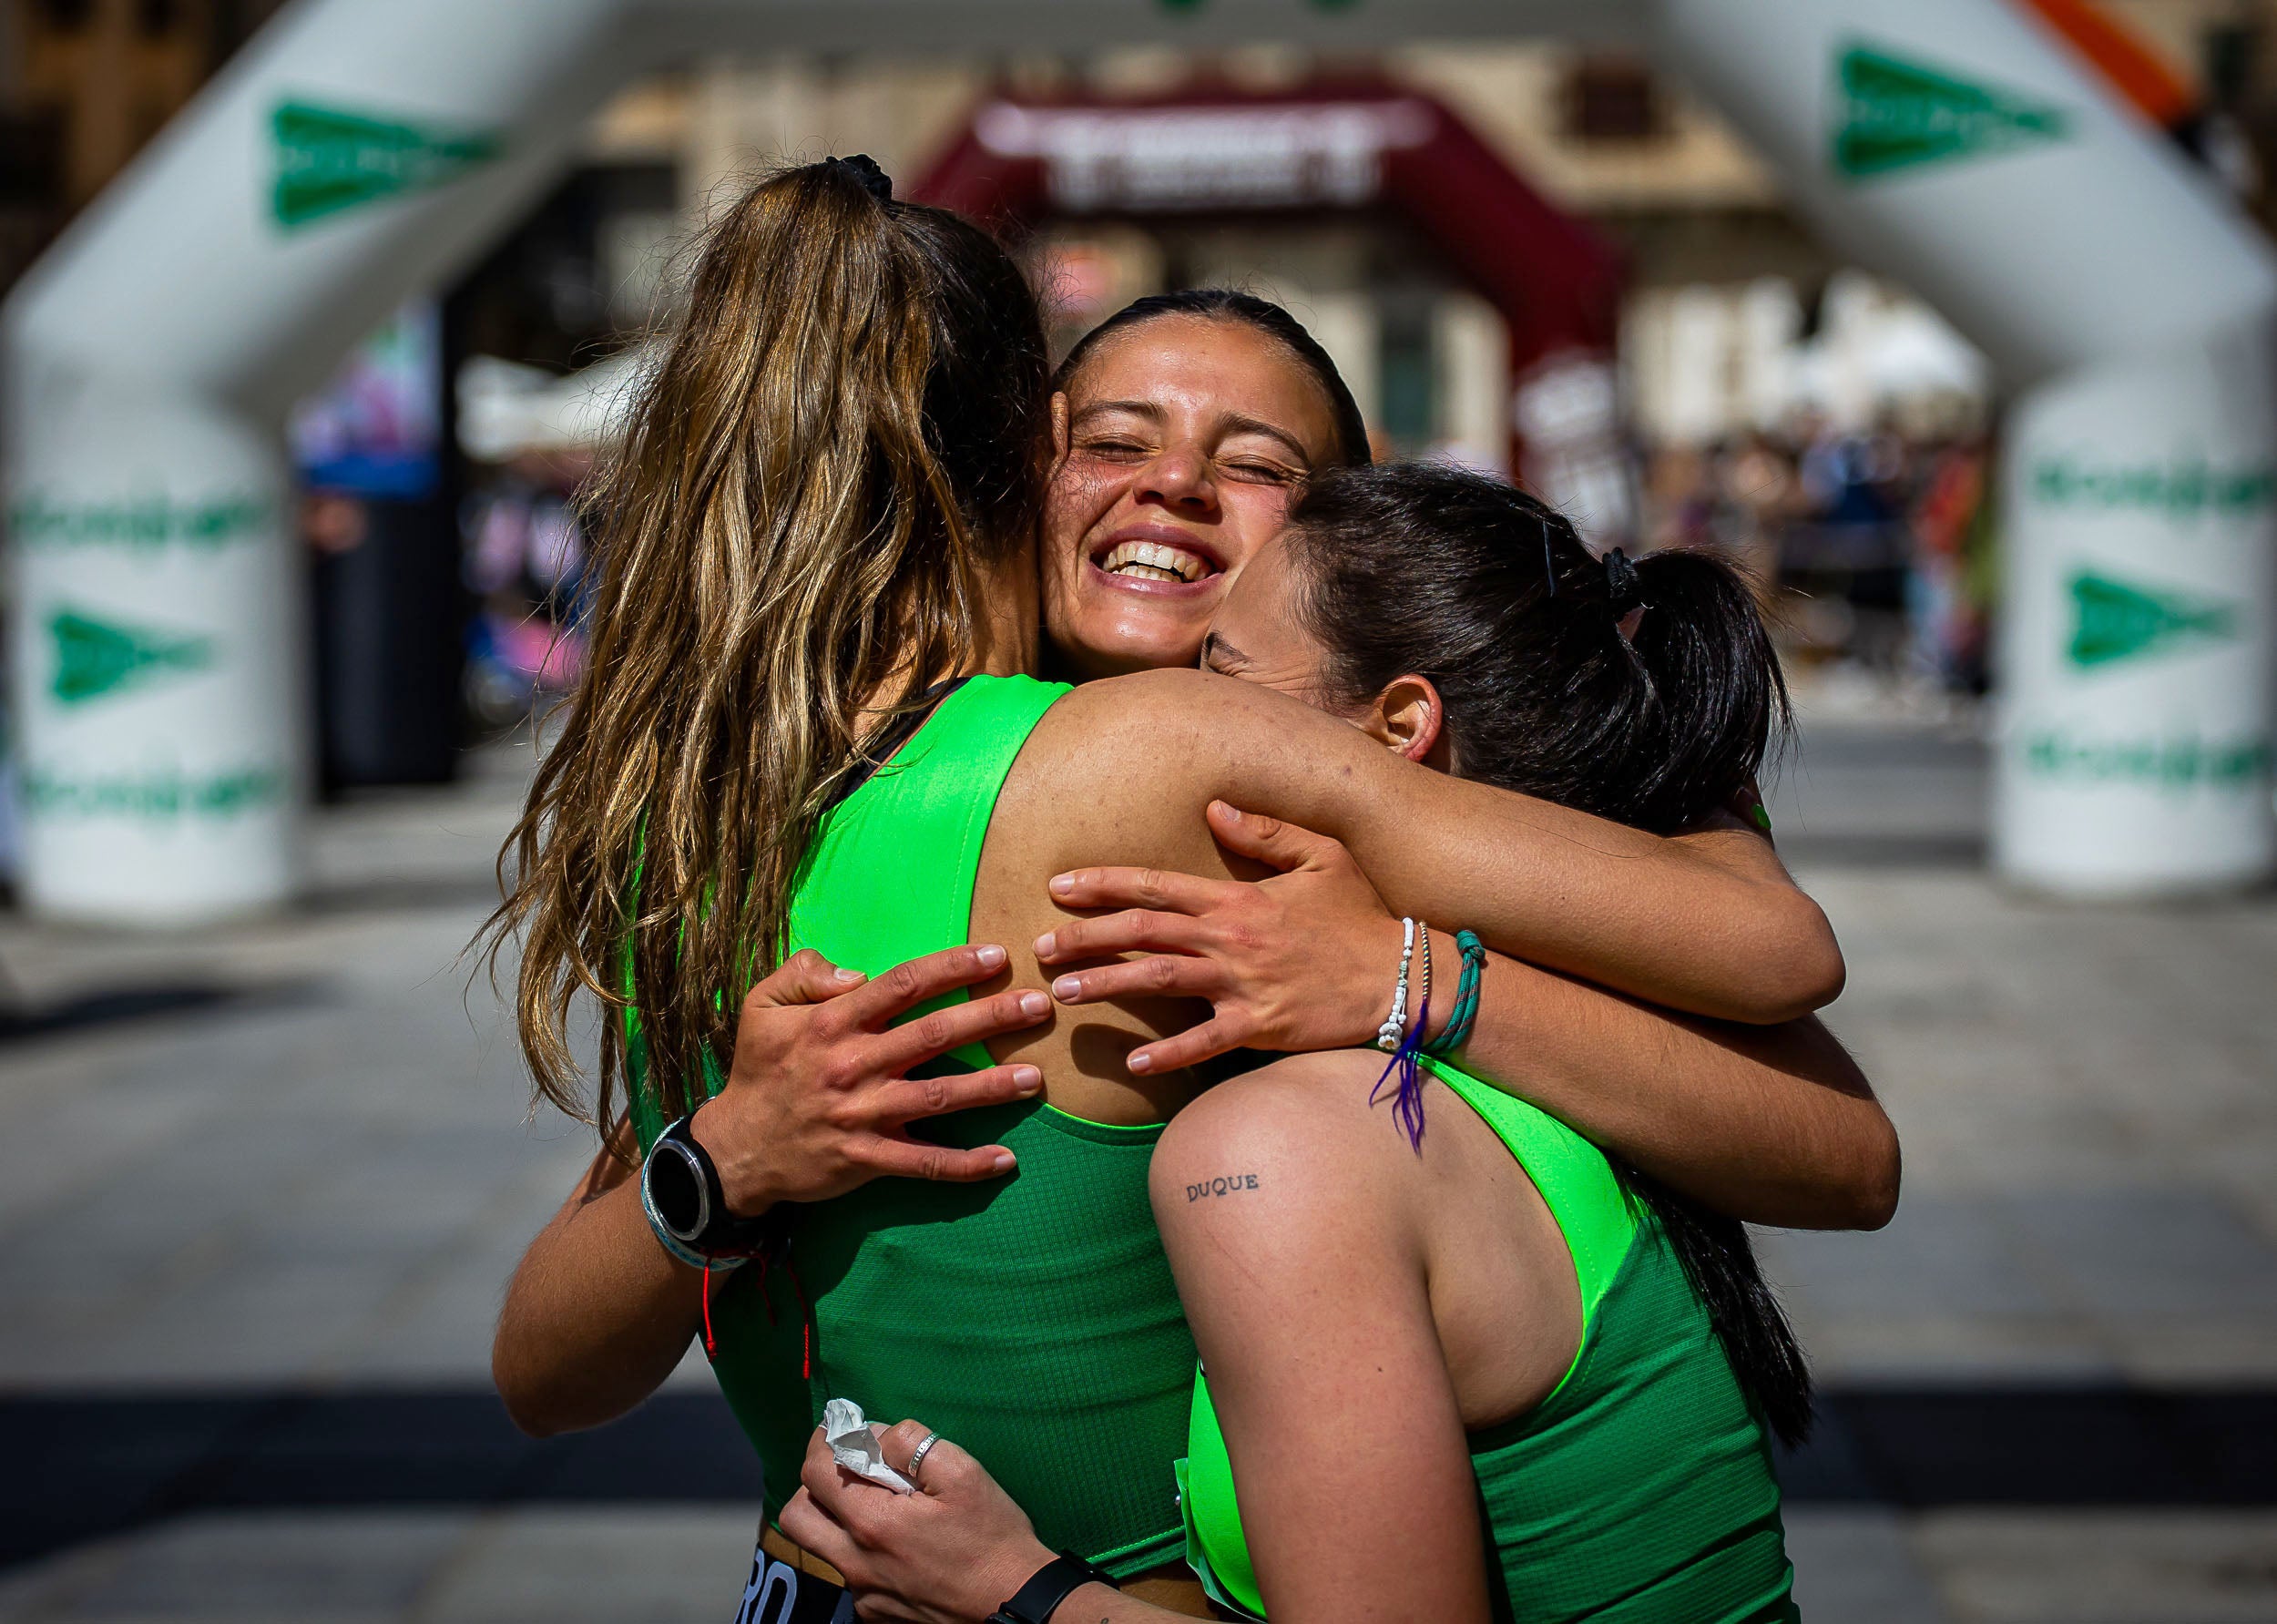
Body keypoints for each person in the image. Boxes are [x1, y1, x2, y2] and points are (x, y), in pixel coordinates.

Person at [486, 162, 1892, 1616]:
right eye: (1113, 437)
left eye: (1260, 462)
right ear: (1022, 471)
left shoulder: (720, 802)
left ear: (1353, 540)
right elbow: (543, 1359)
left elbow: (1835, 1138)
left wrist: (1408, 971)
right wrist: (719, 1160)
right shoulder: (836, 801)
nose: (1174, 482)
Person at [778, 465, 1812, 1621]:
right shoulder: (1588, 1011)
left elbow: (1822, 1061)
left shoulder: (1292, 1144)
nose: (1147, 728)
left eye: (1211, 685)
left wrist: (1016, 1594)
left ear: (1397, 732)